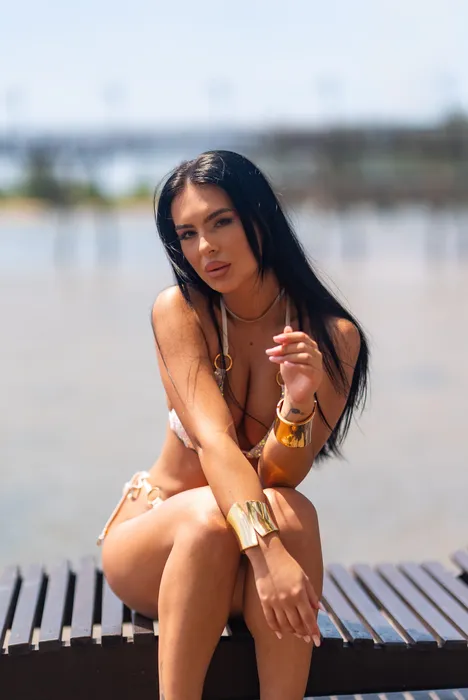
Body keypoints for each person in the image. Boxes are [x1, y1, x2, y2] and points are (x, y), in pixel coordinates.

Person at [98, 150, 369, 700]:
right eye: (188, 234)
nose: (206, 248)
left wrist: (297, 404)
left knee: (294, 510)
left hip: (239, 563)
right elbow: (214, 442)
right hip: (157, 546)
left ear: (261, 218)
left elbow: (279, 478)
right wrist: (268, 557)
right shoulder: (180, 312)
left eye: (220, 222)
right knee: (208, 518)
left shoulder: (333, 338)